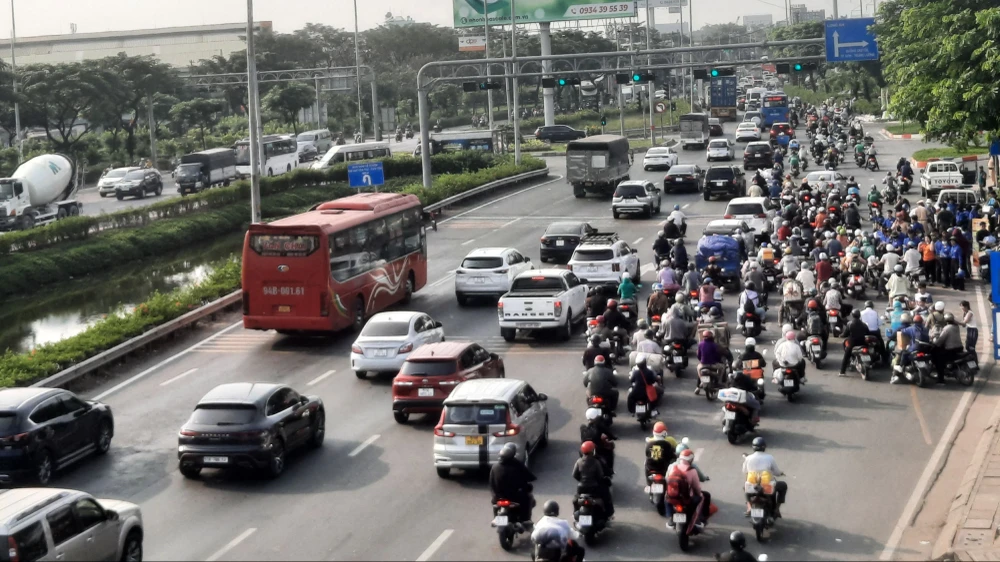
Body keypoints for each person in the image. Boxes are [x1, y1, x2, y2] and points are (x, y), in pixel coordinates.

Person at [489, 443, 537, 524]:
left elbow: (491, 482)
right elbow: (525, 480)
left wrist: (495, 494)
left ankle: (497, 519)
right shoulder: (516, 466)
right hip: (515, 497)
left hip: (498, 497)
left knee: (494, 502)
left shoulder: (494, 467)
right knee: (528, 497)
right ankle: (525, 520)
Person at [742, 437, 788, 519]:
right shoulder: (769, 457)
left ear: (753, 447)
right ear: (764, 447)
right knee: (783, 486)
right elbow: (776, 472)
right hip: (767, 487)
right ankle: (777, 509)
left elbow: (745, 471)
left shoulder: (748, 458)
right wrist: (781, 473)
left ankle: (749, 507)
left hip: (753, 486)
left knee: (745, 488)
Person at [666, 448, 711, 529]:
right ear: (691, 460)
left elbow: (667, 480)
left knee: (666, 498)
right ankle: (699, 519)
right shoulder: (692, 470)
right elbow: (697, 487)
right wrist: (700, 495)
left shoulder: (673, 467)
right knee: (703, 497)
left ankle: (670, 517)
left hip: (673, 497)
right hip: (687, 499)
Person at [573, 441, 614, 518]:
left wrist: (582, 480)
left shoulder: (579, 461)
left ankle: (575, 513)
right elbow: (600, 475)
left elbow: (575, 475)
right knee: (606, 496)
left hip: (581, 488)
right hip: (594, 487)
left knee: (576, 499)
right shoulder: (596, 462)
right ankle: (609, 514)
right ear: (593, 450)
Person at [581, 407, 617, 473]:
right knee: (609, 451)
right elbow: (608, 432)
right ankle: (610, 470)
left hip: (585, 450)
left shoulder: (583, 428)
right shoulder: (598, 426)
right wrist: (613, 437)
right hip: (597, 448)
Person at [932, 313, 965, 383]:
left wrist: (935, 343)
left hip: (951, 350)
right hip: (959, 348)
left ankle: (941, 379)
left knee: (939, 361)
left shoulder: (946, 328)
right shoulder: (956, 326)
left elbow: (941, 339)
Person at [840, 309, 870, 376]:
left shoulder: (849, 324)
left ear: (852, 315)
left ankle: (842, 372)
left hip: (852, 343)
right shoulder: (864, 324)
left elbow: (845, 334)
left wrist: (841, 335)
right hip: (862, 342)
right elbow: (868, 332)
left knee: (846, 356)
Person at [861, 300, 888, 365]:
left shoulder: (861, 313)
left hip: (864, 332)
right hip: (875, 333)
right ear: (872, 306)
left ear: (865, 306)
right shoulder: (875, 312)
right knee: (881, 344)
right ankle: (885, 359)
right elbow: (879, 323)